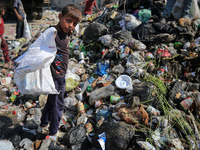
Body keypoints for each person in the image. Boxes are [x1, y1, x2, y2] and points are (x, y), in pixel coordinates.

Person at [39, 4, 82, 139]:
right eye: (68, 21)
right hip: (57, 75)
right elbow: (40, 48)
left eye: (74, 23)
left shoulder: (65, 32)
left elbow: (72, 30)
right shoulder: (53, 33)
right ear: (60, 17)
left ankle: (43, 124)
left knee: (52, 101)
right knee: (59, 104)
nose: (71, 26)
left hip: (59, 74)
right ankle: (53, 132)